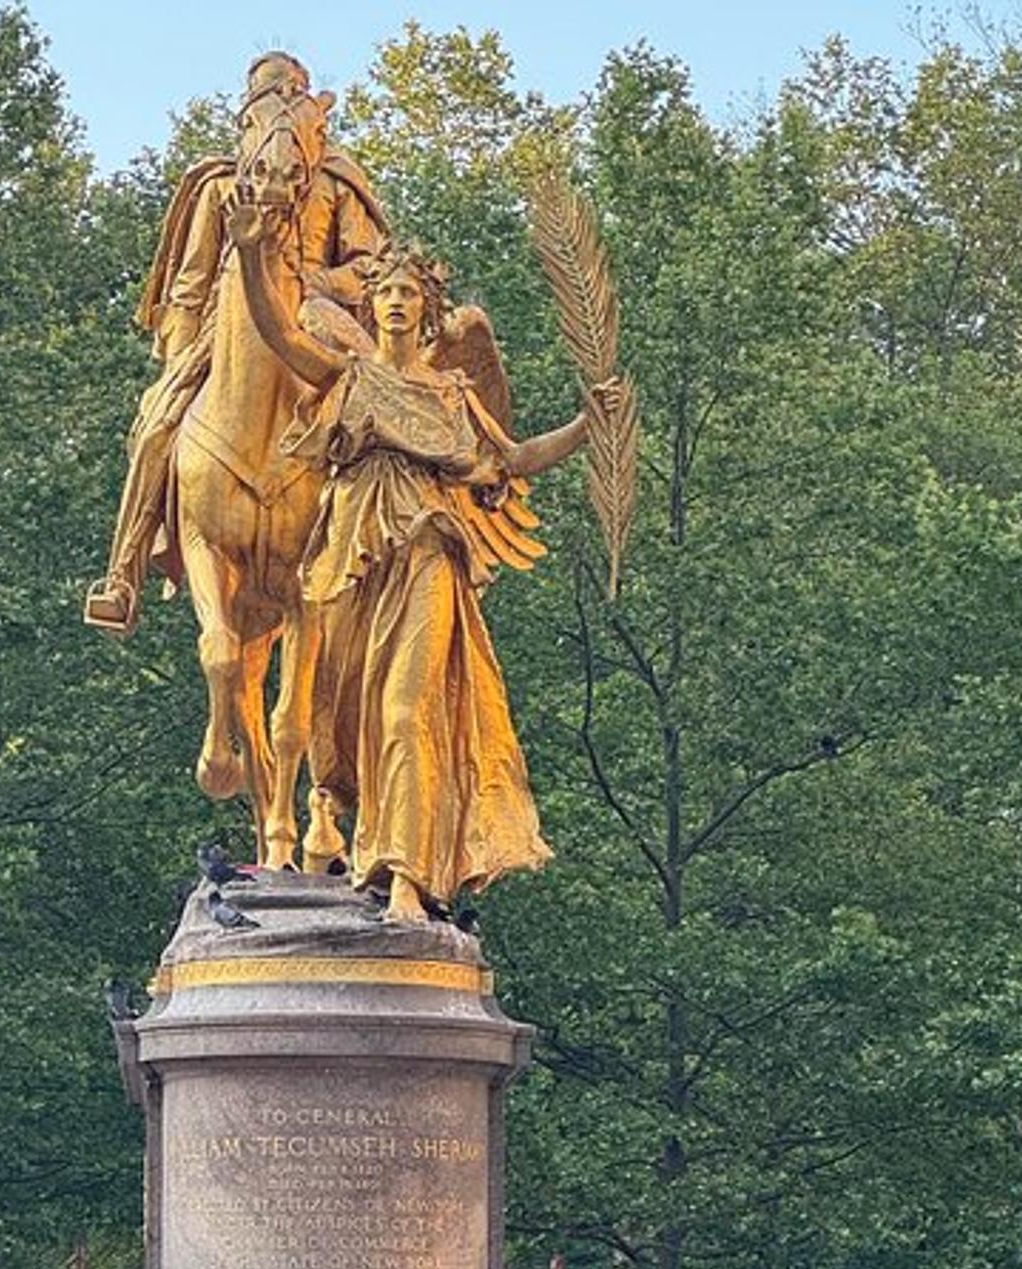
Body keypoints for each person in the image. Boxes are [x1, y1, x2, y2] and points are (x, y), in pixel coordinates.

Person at [227, 188, 622, 921]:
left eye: (411, 293)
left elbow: (516, 457)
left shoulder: (449, 393)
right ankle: (337, 821)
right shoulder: (346, 376)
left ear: (428, 308)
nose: (398, 303)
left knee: (408, 709)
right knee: (349, 712)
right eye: (387, 292)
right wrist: (252, 252)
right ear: (371, 305)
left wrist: (588, 424)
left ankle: (406, 874)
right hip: (351, 560)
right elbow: (279, 333)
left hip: (427, 553)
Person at [84, 50, 387, 636]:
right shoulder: (219, 185)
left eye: (291, 90)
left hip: (313, 323)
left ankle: (394, 555)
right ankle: (122, 575)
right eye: (266, 93)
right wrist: (177, 360)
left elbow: (369, 272)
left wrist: (311, 281)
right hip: (227, 328)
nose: (279, 99)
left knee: (378, 430)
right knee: (154, 427)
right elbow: (190, 282)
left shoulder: (337, 182)